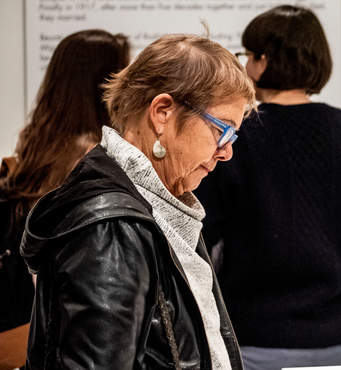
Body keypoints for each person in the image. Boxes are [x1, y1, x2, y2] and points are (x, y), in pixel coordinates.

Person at [20, 34, 255, 369]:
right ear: (162, 113)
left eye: (233, 136)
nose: (227, 151)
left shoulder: (160, 208)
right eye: (222, 130)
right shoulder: (114, 227)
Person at [195, 5, 341, 370]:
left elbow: (203, 229)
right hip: (339, 340)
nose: (245, 66)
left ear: (264, 61)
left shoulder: (238, 137)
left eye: (248, 56)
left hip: (254, 338)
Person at [0, 29, 129, 368]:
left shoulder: (34, 141)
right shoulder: (103, 154)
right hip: (73, 318)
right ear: (109, 81)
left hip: (21, 320)